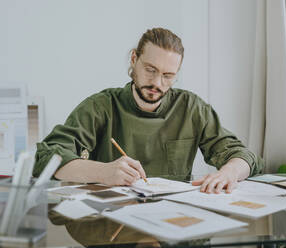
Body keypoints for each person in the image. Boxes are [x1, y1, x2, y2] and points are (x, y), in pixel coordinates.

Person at [33, 27, 264, 193]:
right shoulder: (100, 107)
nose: (157, 84)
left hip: (173, 222)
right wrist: (102, 172)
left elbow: (245, 156)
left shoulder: (192, 108)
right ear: (134, 59)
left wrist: (228, 173)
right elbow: (45, 157)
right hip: (112, 223)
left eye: (168, 75)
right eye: (150, 70)